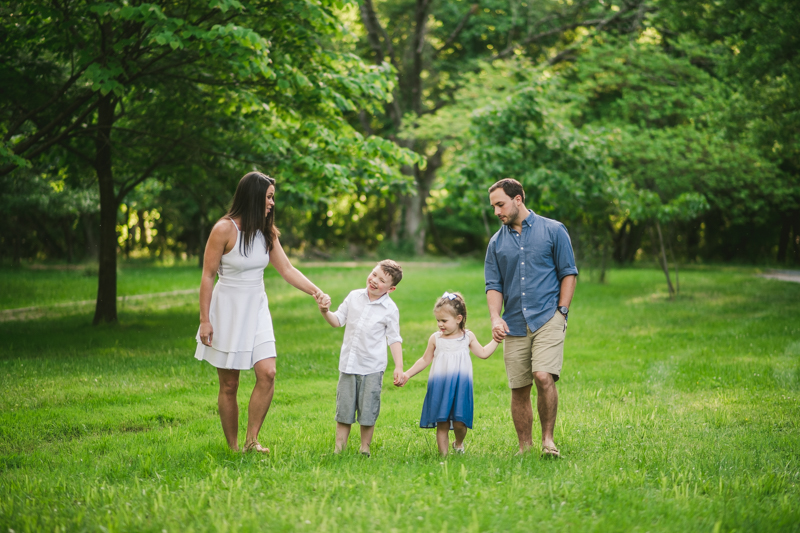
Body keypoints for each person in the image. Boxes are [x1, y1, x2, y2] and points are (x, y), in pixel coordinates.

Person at [195, 171, 326, 453]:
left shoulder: (266, 233)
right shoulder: (223, 229)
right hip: (228, 309)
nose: (272, 203)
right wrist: (204, 320)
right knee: (230, 384)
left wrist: (317, 292)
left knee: (267, 372)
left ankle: (251, 440)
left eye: (272, 198)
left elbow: (287, 269)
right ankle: (232, 449)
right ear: (254, 197)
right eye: (268, 197)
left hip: (257, 308)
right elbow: (207, 276)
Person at [485, 178, 578, 458]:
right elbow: (494, 285)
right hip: (513, 322)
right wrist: (494, 318)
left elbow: (568, 273)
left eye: (500, 204)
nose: (496, 212)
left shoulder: (553, 230)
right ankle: (524, 448)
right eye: (493, 207)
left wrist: (562, 312)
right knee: (519, 388)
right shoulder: (496, 243)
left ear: (518, 199)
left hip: (548, 316)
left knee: (542, 376)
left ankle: (547, 441)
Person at [317, 260, 404, 457]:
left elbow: (394, 338)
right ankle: (339, 449)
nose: (374, 281)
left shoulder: (390, 309)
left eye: (381, 280)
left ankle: (365, 448)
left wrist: (398, 366)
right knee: (344, 410)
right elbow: (337, 321)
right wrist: (325, 311)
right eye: (374, 274)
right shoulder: (354, 296)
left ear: (391, 289)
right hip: (348, 364)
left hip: (372, 367)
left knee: (368, 410)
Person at [398, 291, 500, 456]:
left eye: (444, 321)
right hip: (440, 386)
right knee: (442, 423)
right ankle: (443, 457)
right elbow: (424, 360)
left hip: (461, 385)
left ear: (459, 319)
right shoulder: (436, 338)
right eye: (438, 321)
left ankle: (458, 443)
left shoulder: (468, 337)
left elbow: (483, 353)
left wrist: (497, 339)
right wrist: (407, 374)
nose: (440, 325)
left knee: (460, 423)